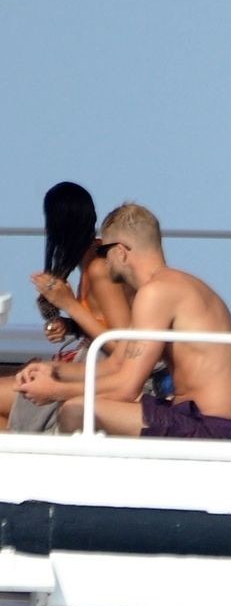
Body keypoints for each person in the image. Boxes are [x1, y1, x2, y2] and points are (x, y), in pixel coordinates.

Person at [14, 203, 231, 439]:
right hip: (195, 417)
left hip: (212, 428)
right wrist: (54, 370)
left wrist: (55, 391)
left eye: (102, 252)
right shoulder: (171, 286)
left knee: (76, 410)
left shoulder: (157, 292)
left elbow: (127, 388)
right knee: (83, 406)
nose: (103, 261)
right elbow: (116, 364)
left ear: (121, 251)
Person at [2, 182, 136, 431]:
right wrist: (70, 325)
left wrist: (70, 305)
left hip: (101, 373)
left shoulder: (99, 269)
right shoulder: (91, 260)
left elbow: (122, 345)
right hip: (89, 366)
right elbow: (103, 322)